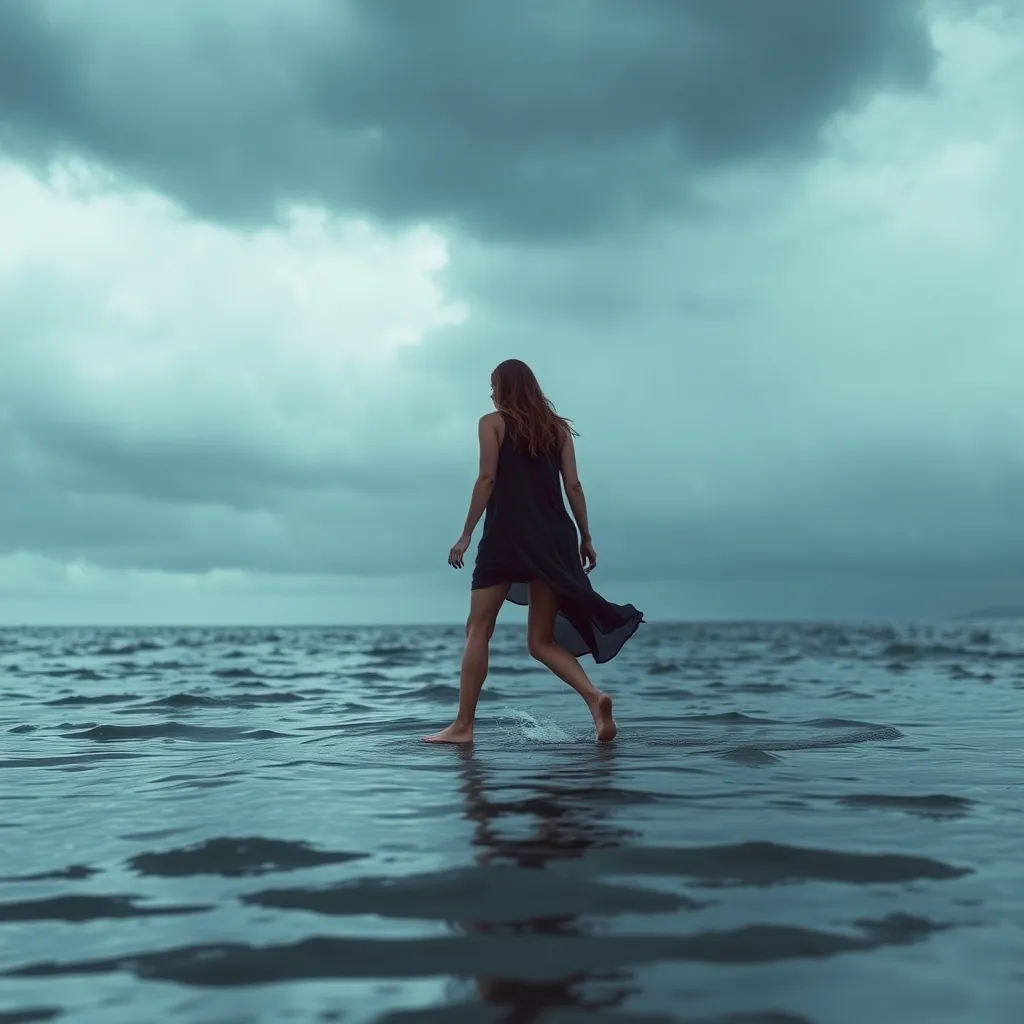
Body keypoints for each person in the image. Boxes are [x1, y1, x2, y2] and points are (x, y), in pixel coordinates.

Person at [424, 358, 644, 745]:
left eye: (493, 385)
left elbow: (487, 477)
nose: (491, 393)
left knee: (478, 629)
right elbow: (574, 487)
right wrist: (585, 536)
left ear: (505, 387)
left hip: (507, 534)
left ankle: (463, 728)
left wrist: (465, 534)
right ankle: (595, 699)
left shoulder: (492, 423)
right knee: (541, 642)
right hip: (554, 537)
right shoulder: (557, 430)